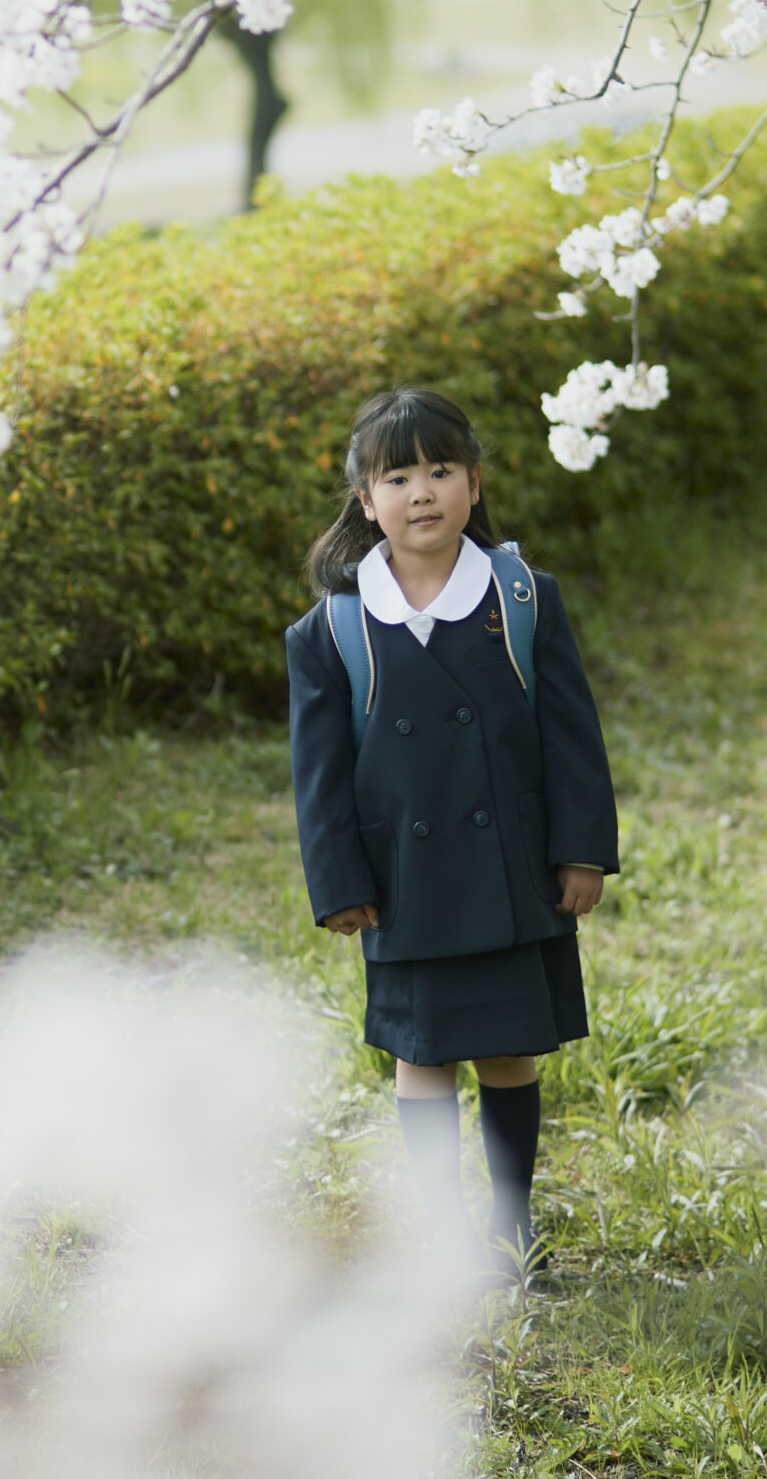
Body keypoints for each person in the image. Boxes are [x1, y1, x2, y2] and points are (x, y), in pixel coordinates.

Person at [284, 386, 619, 1277]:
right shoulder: (334, 630)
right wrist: (341, 883)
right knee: (420, 1058)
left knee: (510, 1051)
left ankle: (510, 1229)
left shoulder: (522, 600)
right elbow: (317, 779)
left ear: (474, 482)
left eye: (440, 470)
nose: (421, 492)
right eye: (398, 476)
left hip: (511, 875)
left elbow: (570, 736)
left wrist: (580, 849)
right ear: (365, 500)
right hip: (405, 885)